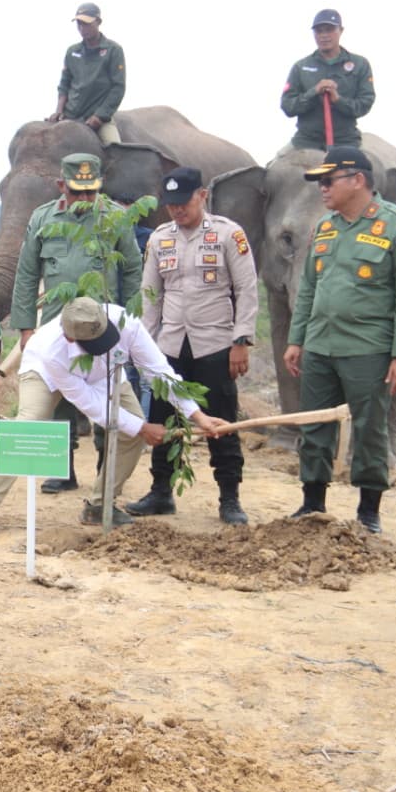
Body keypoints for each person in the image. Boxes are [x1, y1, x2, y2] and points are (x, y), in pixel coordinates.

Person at [0, 153, 142, 530]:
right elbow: (26, 273)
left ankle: (100, 503)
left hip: (102, 348)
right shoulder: (43, 219)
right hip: (52, 345)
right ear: (60, 186)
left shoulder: (115, 218)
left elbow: (132, 269)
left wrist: (129, 324)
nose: (85, 199)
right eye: (77, 191)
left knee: (133, 426)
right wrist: (24, 328)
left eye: (92, 191)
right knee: (29, 421)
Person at [0, 297, 225, 532]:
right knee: (28, 426)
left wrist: (197, 415)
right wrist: (142, 427)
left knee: (132, 433)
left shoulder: (126, 323)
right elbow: (91, 404)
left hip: (107, 374)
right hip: (45, 374)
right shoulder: (53, 351)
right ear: (71, 338)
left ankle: (99, 505)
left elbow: (160, 372)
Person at [284, 146, 396, 533]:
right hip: (321, 345)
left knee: (369, 429)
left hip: (368, 349)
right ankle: (312, 504)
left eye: (328, 181)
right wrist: (297, 339)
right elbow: (309, 288)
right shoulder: (325, 227)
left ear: (357, 180)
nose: (322, 189)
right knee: (314, 426)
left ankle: (368, 513)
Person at [129, 167, 260, 525]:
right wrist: (145, 348)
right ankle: (161, 493)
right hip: (169, 346)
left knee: (220, 422)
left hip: (215, 344)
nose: (176, 211)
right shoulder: (159, 239)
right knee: (162, 419)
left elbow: (247, 289)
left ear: (201, 195)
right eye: (170, 204)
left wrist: (242, 340)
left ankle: (229, 498)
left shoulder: (228, 235)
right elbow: (150, 297)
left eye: (183, 202)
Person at [281, 9, 374, 151]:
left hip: (346, 142)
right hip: (305, 142)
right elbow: (288, 106)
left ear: (341, 31)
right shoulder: (300, 67)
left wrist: (338, 100)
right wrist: (314, 92)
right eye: (319, 31)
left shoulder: (360, 64)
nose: (324, 35)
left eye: (329, 30)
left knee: (369, 170)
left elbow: (365, 104)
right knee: (273, 168)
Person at [49, 2, 126, 145]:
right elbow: (64, 84)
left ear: (98, 22)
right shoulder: (72, 51)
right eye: (79, 24)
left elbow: (118, 87)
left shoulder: (113, 50)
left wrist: (100, 116)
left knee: (115, 149)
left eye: (87, 24)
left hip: (98, 118)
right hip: (70, 116)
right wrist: (59, 110)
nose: (82, 28)